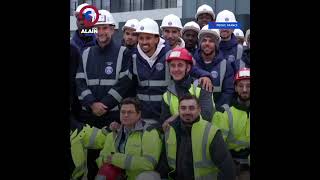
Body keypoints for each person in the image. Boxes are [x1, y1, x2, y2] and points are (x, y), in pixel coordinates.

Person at [99, 18, 213, 127]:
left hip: (165, 117)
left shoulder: (169, 53)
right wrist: (106, 105)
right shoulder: (133, 57)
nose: (144, 42)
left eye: (148, 38)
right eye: (141, 38)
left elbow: (186, 68)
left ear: (157, 39)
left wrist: (204, 75)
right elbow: (124, 86)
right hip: (142, 119)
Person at [75, 9, 131, 128]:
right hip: (88, 115)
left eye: (104, 28)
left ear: (112, 30)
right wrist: (92, 103)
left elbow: (124, 84)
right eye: (97, 28)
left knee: (111, 146)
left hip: (113, 115)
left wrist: (105, 104)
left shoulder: (123, 52)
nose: (101, 32)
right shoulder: (85, 53)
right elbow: (80, 82)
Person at [164, 95, 236, 180]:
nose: (187, 112)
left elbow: (227, 169)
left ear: (199, 110)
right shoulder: (170, 130)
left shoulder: (211, 132)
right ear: (178, 110)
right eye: (183, 108)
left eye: (191, 108)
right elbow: (164, 164)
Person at [96, 98, 162, 180]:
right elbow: (100, 160)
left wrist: (115, 159)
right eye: (123, 112)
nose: (126, 115)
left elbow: (149, 164)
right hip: (119, 176)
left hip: (138, 177)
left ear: (138, 114)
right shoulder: (113, 133)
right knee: (104, 172)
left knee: (147, 177)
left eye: (130, 112)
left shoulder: (149, 132)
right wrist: (107, 161)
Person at [212, 68, 250, 180]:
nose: (244, 90)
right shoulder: (224, 112)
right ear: (235, 88)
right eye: (241, 86)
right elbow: (218, 147)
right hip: (229, 162)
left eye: (248, 86)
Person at [160, 47, 216, 124]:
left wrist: (176, 116)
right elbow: (165, 123)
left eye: (180, 65)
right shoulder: (167, 94)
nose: (176, 69)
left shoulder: (202, 86)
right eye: (172, 66)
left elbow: (207, 116)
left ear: (188, 67)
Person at [194, 25, 235, 109]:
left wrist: (216, 112)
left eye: (211, 41)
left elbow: (228, 92)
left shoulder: (226, 65)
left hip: (218, 114)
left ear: (216, 44)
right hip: (194, 114)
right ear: (200, 43)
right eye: (204, 40)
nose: (207, 44)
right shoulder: (191, 62)